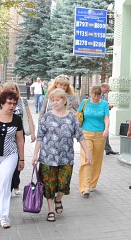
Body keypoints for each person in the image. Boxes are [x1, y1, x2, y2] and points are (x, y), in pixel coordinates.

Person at [32, 88, 91, 222]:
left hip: (66, 157)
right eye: (52, 100)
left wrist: (87, 153)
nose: (54, 103)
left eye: (57, 100)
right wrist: (35, 155)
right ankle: (50, 210)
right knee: (49, 184)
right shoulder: (47, 116)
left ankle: (58, 199)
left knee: (64, 184)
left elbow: (80, 136)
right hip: (48, 157)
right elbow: (40, 136)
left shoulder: (71, 117)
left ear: (64, 101)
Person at [2, 82, 36, 196]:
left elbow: (29, 116)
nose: (12, 90)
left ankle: (15, 183)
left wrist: (32, 132)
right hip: (6, 135)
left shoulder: (22, 101)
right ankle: (8, 184)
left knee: (17, 160)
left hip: (19, 134)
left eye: (14, 89)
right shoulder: (3, 101)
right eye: (9, 89)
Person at [0, 91, 25, 229]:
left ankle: (3, 217)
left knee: (4, 184)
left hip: (10, 155)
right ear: (2, 103)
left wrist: (22, 159)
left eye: (14, 103)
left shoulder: (17, 119)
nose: (11, 106)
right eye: (9, 103)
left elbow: (20, 140)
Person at [78, 86, 109, 197]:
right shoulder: (85, 102)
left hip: (100, 134)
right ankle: (85, 186)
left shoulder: (104, 104)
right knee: (87, 159)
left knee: (96, 160)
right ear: (90, 94)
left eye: (98, 95)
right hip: (86, 134)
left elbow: (106, 118)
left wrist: (106, 129)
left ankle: (92, 183)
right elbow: (78, 115)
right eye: (94, 94)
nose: (96, 97)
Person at [100, 83, 118, 155]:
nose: (107, 91)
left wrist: (108, 106)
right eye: (106, 90)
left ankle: (108, 149)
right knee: (103, 133)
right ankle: (106, 149)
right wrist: (108, 106)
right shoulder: (99, 95)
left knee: (105, 132)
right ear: (102, 87)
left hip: (105, 116)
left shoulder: (103, 96)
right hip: (101, 118)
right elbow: (100, 105)